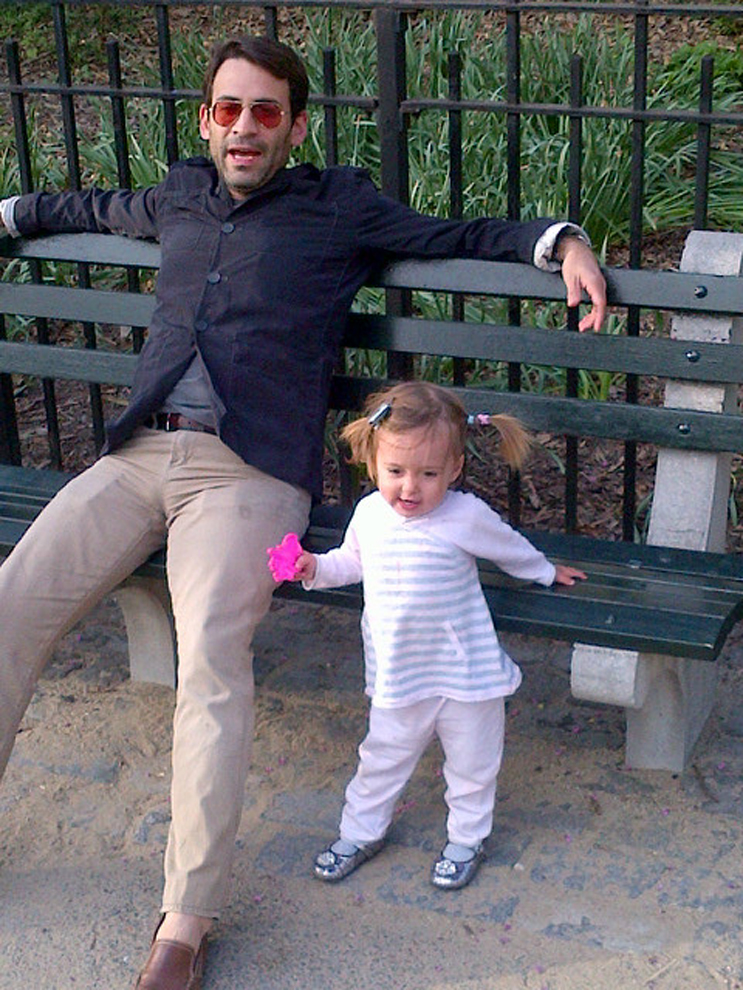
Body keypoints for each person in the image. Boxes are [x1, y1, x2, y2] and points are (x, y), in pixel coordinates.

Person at [0, 33, 606, 990]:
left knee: (210, 653)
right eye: (228, 109)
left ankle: (184, 922)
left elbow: (450, 233)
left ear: (293, 126)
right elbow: (82, 206)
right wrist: (9, 213)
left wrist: (559, 241)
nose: (245, 128)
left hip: (247, 477)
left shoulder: (337, 207)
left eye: (266, 111)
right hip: (139, 454)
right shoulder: (179, 194)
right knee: (10, 603)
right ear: (207, 120)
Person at [285, 382, 585, 890]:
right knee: (381, 759)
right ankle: (359, 833)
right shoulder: (370, 516)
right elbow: (351, 562)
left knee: (472, 765)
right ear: (373, 463)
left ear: (454, 469)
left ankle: (467, 839)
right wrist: (314, 567)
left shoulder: (464, 515)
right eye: (396, 472)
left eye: (427, 475)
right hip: (400, 674)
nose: (409, 488)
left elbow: (507, 546)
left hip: (466, 674)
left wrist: (544, 570)